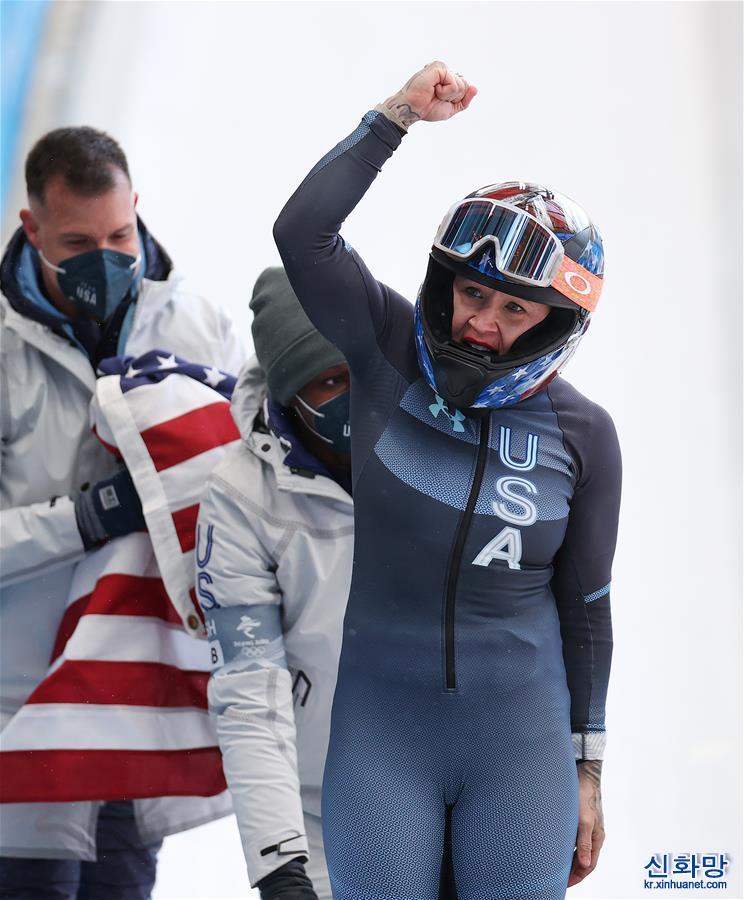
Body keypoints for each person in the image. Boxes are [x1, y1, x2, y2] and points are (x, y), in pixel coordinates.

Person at [273, 62, 622, 900]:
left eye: (515, 312)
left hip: (520, 751)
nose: (482, 323)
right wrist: (395, 117)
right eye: (472, 292)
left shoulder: (586, 437)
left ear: (557, 325)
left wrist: (588, 771)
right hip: (382, 739)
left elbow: (587, 611)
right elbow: (302, 237)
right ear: (444, 281)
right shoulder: (387, 346)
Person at [0, 126, 245, 898]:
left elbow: (255, 491)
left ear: (138, 209)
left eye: (119, 234)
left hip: (136, 703)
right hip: (20, 711)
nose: (105, 259)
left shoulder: (199, 329)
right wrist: (83, 518)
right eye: (76, 242)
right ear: (31, 227)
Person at [195, 266, 353, 900]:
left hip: (450, 796)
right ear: (290, 392)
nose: (350, 395)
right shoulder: (238, 498)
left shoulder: (434, 443)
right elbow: (250, 689)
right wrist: (279, 867)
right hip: (320, 816)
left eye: (356, 371)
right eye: (327, 382)